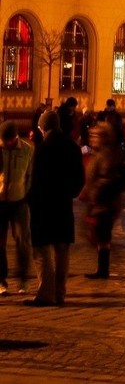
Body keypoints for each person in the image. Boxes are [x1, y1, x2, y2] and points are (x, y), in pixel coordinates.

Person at [24, 108, 86, 306]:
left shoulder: (42, 149)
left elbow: (36, 179)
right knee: (62, 249)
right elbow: (80, 178)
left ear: (44, 128)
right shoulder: (72, 147)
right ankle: (60, 293)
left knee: (41, 249)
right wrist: (70, 192)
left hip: (44, 205)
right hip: (63, 204)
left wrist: (30, 200)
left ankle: (45, 293)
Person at [82, 121, 125, 279]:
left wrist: (96, 192)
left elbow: (106, 178)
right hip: (101, 201)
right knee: (100, 235)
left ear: (103, 138)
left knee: (102, 235)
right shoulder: (101, 153)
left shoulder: (107, 154)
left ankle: (103, 269)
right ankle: (103, 268)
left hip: (105, 202)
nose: (92, 138)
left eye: (95, 136)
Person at [0, 119, 35, 295]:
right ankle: (1, 280)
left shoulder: (27, 150)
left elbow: (30, 175)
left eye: (9, 140)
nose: (6, 144)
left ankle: (23, 279)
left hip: (19, 201)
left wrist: (25, 193)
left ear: (15, 137)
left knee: (23, 242)